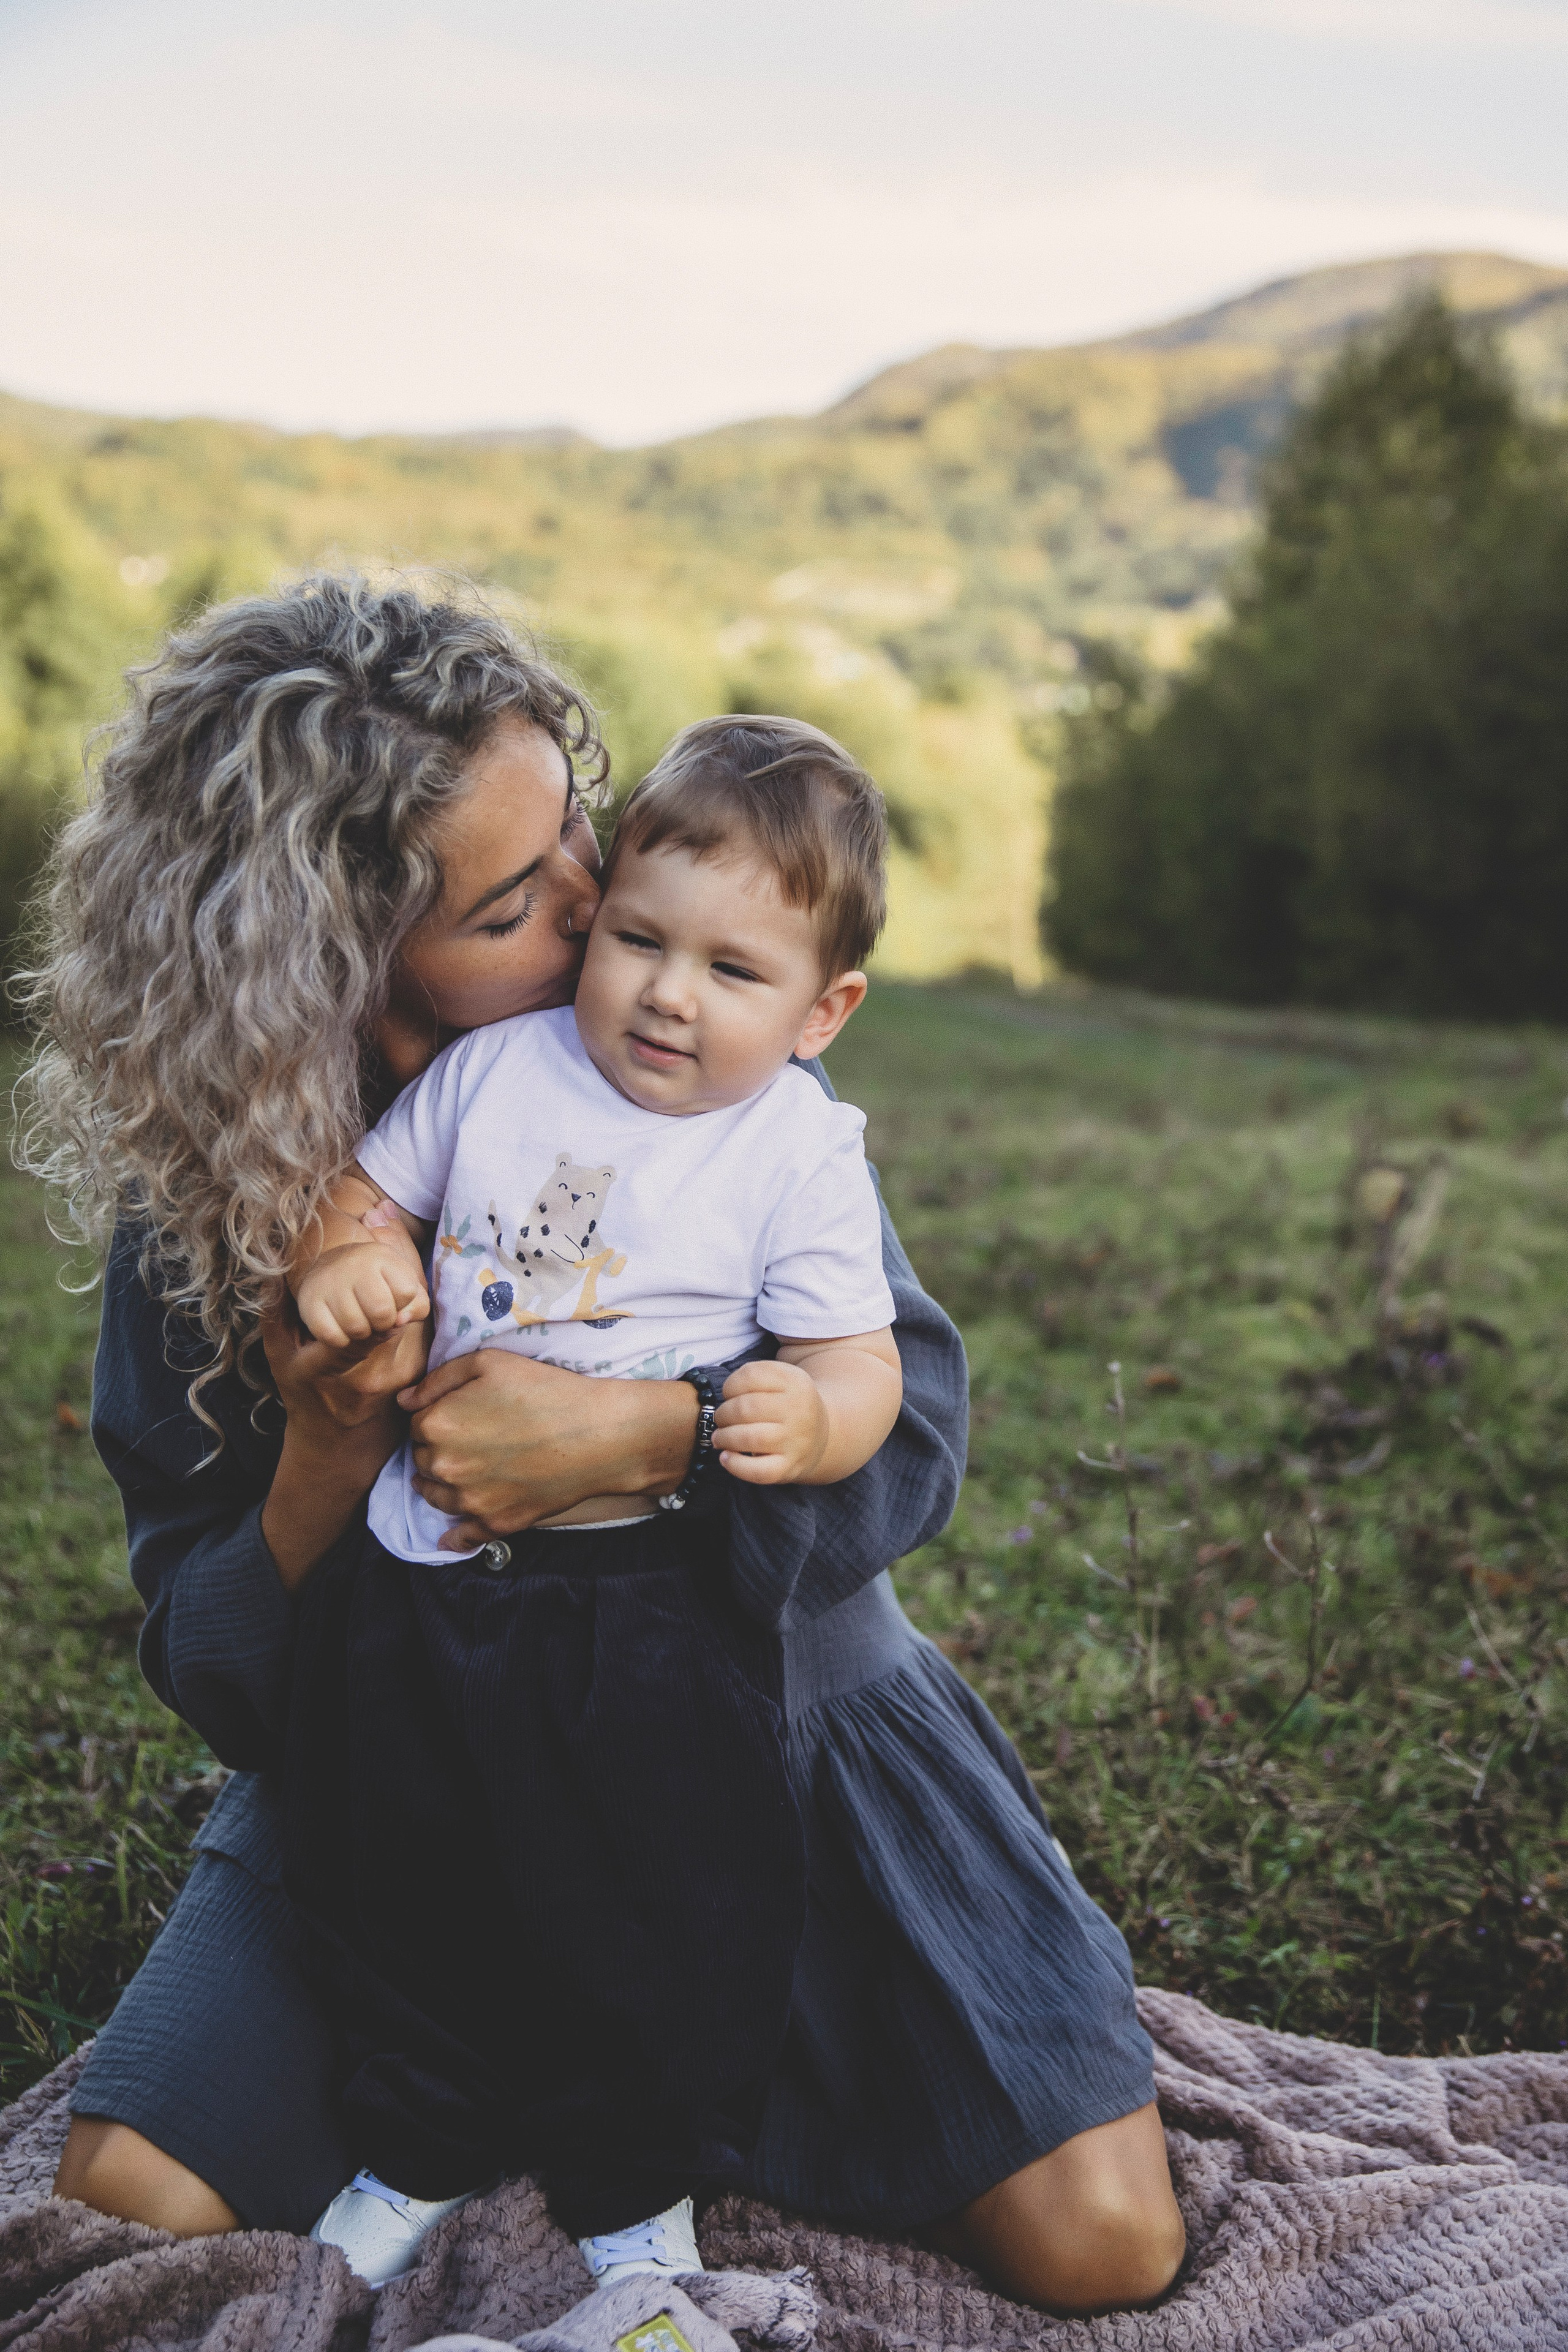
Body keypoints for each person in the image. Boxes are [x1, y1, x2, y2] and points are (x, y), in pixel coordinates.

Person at [21, 574, 1185, 2318]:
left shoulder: (716, 1102)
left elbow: (914, 1427)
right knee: (138, 2191)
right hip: (395, 1764)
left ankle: (662, 2085)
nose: (601, 910)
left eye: (577, 831)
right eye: (518, 899)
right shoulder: (218, 1215)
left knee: (1098, 2238)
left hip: (765, 1722)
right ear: (337, 966)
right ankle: (509, 2080)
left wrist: (652, 1441)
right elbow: (213, 1662)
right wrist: (330, 1453)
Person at [281, 718, 904, 2280]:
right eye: (635, 938)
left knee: (656, 1894)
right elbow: (370, 1190)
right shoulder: (500, 1069)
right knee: (398, 1865)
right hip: (420, 1577)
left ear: (824, 1010)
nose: (665, 994)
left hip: (632, 1601)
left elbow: (866, 1365)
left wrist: (807, 1412)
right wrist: (350, 1253)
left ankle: (634, 2190)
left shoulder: (796, 1155)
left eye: (731, 972)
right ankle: (418, 2141)